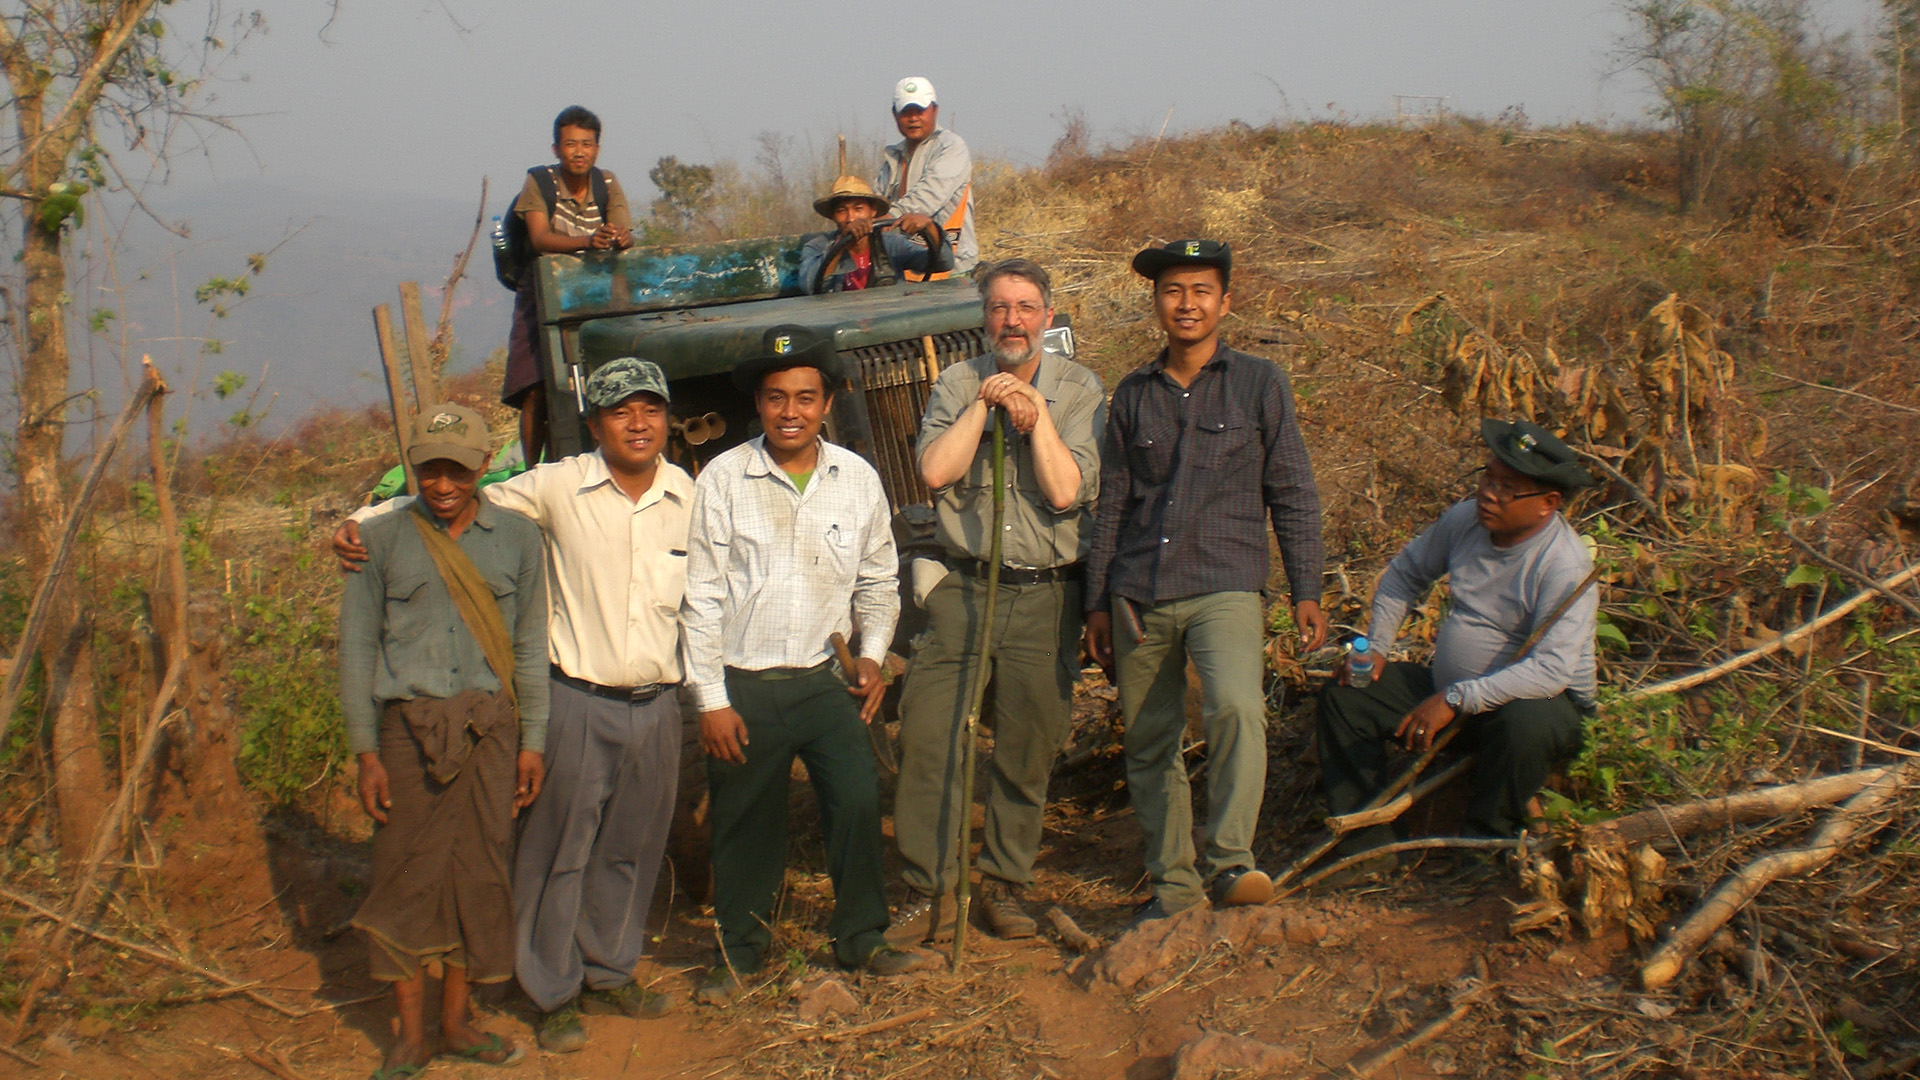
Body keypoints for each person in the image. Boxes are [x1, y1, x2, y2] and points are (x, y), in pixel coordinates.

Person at [334, 359, 691, 1054]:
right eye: (621, 411)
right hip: (579, 697)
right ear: (594, 425)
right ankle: (550, 989)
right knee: (559, 849)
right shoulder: (557, 486)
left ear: (669, 419)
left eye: (651, 409)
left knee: (630, 848)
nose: (639, 423)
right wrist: (355, 521)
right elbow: (455, 496)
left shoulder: (688, 493)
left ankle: (610, 970)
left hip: (658, 701)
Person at [682, 324, 933, 1003]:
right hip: (746, 685)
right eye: (774, 398)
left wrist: (874, 658)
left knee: (853, 803)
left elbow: (879, 583)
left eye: (805, 397)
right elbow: (701, 596)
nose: (790, 411)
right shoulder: (725, 479)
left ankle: (861, 940)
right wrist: (711, 699)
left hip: (826, 683)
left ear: (827, 403)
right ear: (758, 406)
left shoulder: (856, 479)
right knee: (745, 824)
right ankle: (740, 953)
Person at [1085, 239, 1328, 922]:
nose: (1185, 304)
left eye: (1200, 291)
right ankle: (1174, 881)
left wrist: (1306, 587)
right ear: (1155, 302)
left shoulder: (1259, 382)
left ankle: (1231, 862)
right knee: (1150, 738)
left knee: (1236, 709)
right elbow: (1113, 504)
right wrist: (1098, 599)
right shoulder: (1131, 394)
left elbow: (1293, 489)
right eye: (1172, 291)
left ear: (1226, 300)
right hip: (1139, 590)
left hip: (1225, 579)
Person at [890, 259, 1105, 944]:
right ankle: (928, 890)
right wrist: (986, 404)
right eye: (1000, 308)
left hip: (1045, 597)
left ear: (1048, 315)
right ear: (984, 317)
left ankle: (1006, 884)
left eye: (1026, 307)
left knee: (1025, 748)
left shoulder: (1079, 388)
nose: (1012, 320)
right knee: (930, 737)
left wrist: (1033, 413)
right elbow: (933, 471)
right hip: (963, 590)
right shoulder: (956, 382)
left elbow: (1067, 489)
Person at [338, 403, 549, 1078]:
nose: (442, 483)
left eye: (457, 468)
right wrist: (366, 751)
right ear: (414, 467)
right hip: (408, 732)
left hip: (491, 730)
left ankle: (457, 1024)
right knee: (405, 875)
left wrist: (532, 743)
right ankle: (410, 1035)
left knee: (478, 874)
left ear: (485, 466)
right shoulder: (382, 539)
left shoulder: (518, 538)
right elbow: (355, 649)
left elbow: (529, 649)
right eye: (429, 468)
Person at [1317, 420, 1596, 861]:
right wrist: (1378, 650)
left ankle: (1485, 844)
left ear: (1548, 504)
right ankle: (1369, 846)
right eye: (1488, 477)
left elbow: (1550, 671)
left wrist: (1456, 698)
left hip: (1531, 708)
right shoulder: (1465, 521)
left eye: (1509, 488)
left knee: (1528, 724)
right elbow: (1403, 575)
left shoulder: (1564, 564)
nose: (1490, 493)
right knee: (1347, 694)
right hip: (1453, 694)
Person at [501, 105, 637, 468]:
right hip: (542, 292)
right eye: (570, 144)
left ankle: (599, 459)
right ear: (556, 149)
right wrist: (588, 240)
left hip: (591, 289)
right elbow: (540, 237)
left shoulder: (606, 183)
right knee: (536, 387)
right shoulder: (540, 183)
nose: (579, 152)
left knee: (602, 374)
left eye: (587, 144)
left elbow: (624, 229)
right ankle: (532, 470)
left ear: (597, 149)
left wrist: (618, 236)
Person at [874, 76, 976, 275]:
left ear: (934, 110)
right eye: (906, 112)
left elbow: (930, 194)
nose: (913, 118)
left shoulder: (951, 147)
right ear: (895, 115)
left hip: (953, 268)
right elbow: (877, 203)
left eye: (920, 111)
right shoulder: (892, 158)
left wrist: (887, 218)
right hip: (905, 269)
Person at [798, 175, 952, 294]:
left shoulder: (891, 244)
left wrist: (930, 228)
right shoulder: (817, 246)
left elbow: (942, 263)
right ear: (833, 216)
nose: (850, 218)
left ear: (873, 212)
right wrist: (839, 246)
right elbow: (809, 286)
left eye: (858, 209)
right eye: (841, 211)